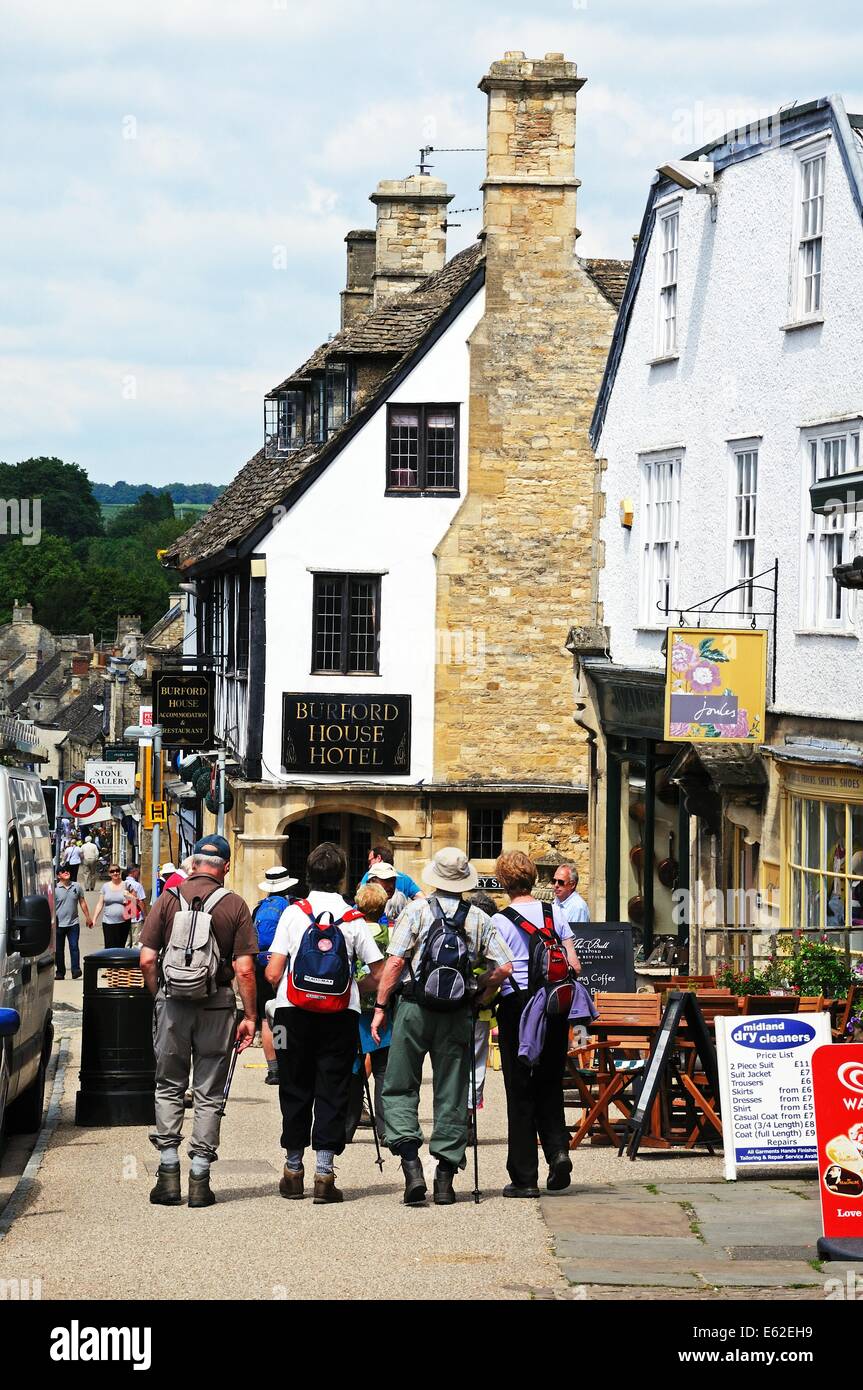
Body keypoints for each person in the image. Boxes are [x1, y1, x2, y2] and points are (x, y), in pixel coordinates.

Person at [372, 847, 513, 1207]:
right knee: (452, 1090)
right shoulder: (479, 918)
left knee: (400, 1085)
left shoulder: (416, 911)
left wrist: (380, 1007)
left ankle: (411, 1166)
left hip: (415, 1007)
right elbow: (505, 967)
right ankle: (446, 1180)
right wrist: (482, 992)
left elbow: (394, 963)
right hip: (456, 1013)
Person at [138, 834, 257, 1208]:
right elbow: (245, 969)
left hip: (173, 1003)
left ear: (193, 863)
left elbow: (145, 958)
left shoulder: (168, 898)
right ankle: (201, 1179)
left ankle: (168, 1174)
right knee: (208, 1091)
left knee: (169, 1083)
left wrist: (159, 995)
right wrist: (250, 1016)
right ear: (224, 866)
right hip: (217, 1005)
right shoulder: (234, 904)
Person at [265, 842, 385, 1205]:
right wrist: (351, 986)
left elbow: (273, 972)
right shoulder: (353, 919)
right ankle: (324, 1174)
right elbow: (379, 974)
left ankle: (292, 1170)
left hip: (291, 1013)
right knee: (333, 1089)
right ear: (342, 878)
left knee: (293, 1086)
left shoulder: (293, 913)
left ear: (308, 874)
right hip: (340, 1016)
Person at [490, 851, 581, 1198]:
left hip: (518, 1007)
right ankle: (558, 1153)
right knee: (549, 1082)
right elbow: (574, 964)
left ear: (503, 881)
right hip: (555, 1006)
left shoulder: (500, 922)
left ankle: (524, 1177)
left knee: (520, 1089)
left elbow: (500, 972)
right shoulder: (554, 912)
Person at [345, 881, 392, 1144]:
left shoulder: (352, 932)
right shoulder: (390, 934)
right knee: (383, 1069)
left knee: (353, 1069)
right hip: (381, 1008)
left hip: (354, 1007)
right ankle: (385, 1130)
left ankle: (347, 1127)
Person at [252, 866, 298, 1085]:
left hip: (260, 966)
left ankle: (273, 1070)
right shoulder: (292, 907)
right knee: (281, 1017)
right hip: (283, 964)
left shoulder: (259, 908)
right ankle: (285, 1061)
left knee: (265, 1018)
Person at [54, 865, 93, 979]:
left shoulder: (76, 886)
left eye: (67, 871)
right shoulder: (55, 888)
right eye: (62, 871)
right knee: (59, 950)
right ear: (58, 875)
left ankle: (76, 970)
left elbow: (82, 902)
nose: (66, 872)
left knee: (74, 946)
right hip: (58, 924)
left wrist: (88, 917)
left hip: (73, 923)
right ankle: (60, 972)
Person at [91, 865, 137, 948]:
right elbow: (100, 903)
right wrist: (94, 919)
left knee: (120, 947)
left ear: (119, 872)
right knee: (109, 947)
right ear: (109, 874)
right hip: (108, 922)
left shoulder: (127, 885)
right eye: (112, 871)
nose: (115, 873)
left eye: (117, 871)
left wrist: (129, 896)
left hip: (123, 922)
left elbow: (135, 900)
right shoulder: (105, 886)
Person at [551, 862, 590, 928]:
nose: (556, 885)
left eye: (561, 882)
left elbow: (577, 936)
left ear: (572, 885)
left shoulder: (578, 908)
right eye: (554, 881)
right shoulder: (557, 901)